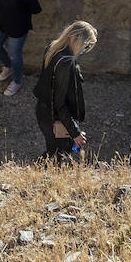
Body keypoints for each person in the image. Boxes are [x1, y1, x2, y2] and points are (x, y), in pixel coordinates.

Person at [32, 21, 97, 163]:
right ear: (79, 42)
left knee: (53, 152)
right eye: (87, 45)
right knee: (57, 155)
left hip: (44, 111)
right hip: (54, 118)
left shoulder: (53, 48)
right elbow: (60, 104)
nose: (87, 49)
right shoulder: (66, 64)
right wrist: (75, 133)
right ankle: (34, 177)